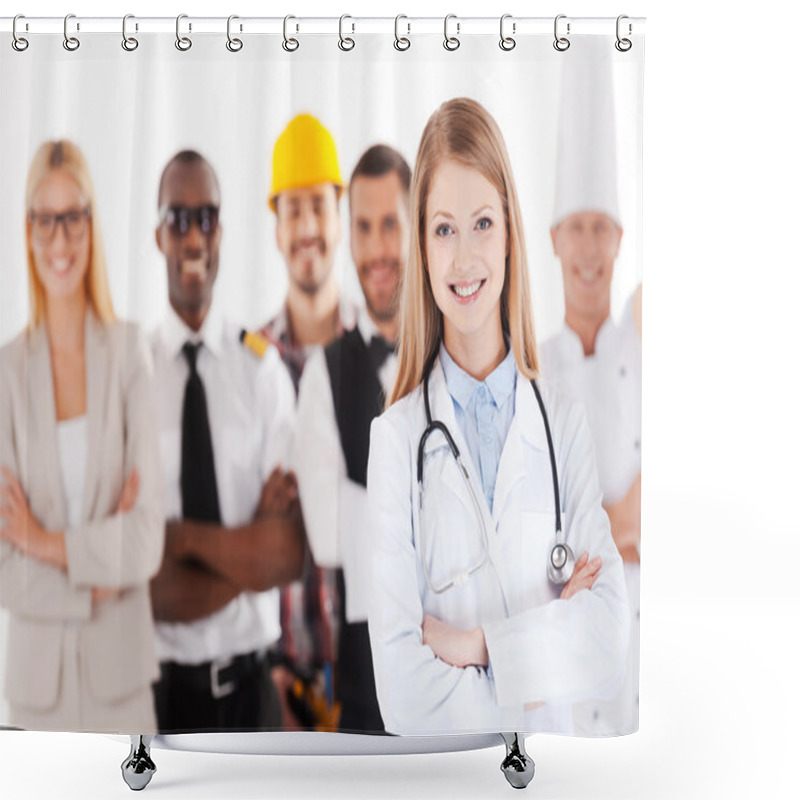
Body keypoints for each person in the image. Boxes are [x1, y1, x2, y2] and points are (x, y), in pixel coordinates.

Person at [366, 98, 629, 735]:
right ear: (422, 250)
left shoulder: (562, 422)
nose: (463, 260)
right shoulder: (396, 441)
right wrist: (539, 671)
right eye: (443, 229)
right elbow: (401, 695)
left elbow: (608, 637)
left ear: (511, 234)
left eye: (482, 223)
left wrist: (478, 645)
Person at [0, 139, 163, 732]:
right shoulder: (6, 373)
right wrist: (95, 584)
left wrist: (41, 541)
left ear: (91, 225)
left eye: (72, 218)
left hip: (121, 687)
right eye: (46, 220)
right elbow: (1, 562)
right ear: (28, 230)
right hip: (33, 696)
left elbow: (144, 540)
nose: (60, 241)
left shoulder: (128, 354)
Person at [148, 150, 304, 733]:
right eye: (178, 218)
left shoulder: (260, 371)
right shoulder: (132, 380)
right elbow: (145, 589)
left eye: (206, 218)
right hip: (159, 700)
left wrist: (182, 541)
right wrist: (247, 551)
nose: (194, 236)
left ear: (223, 232)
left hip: (252, 696)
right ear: (158, 235)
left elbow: (286, 554)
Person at [540, 45, 642, 735]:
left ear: (620, 238)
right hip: (565, 670)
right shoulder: (529, 368)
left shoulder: (648, 344)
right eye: (575, 228)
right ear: (551, 239)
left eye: (600, 228)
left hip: (647, 647)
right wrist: (627, 523)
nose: (588, 249)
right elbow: (540, 545)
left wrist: (593, 537)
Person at [294, 144, 411, 732]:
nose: (377, 248)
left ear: (416, 227)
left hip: (466, 657)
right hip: (365, 672)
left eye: (390, 224)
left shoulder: (454, 356)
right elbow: (327, 536)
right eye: (363, 227)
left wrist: (360, 499)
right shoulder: (325, 372)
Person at [260, 114, 356, 729]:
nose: (307, 228)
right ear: (275, 226)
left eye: (318, 207)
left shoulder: (378, 353)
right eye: (293, 210)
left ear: (339, 217)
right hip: (281, 683)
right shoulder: (249, 367)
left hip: (370, 677)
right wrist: (271, 679)